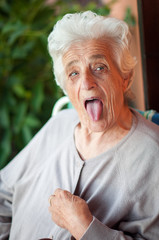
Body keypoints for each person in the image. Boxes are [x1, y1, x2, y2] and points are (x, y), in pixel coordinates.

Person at [0, 11, 159, 240]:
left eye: (99, 67)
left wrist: (84, 227)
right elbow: (3, 195)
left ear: (126, 78)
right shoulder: (60, 124)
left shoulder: (152, 154)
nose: (86, 83)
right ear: (66, 89)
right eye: (73, 73)